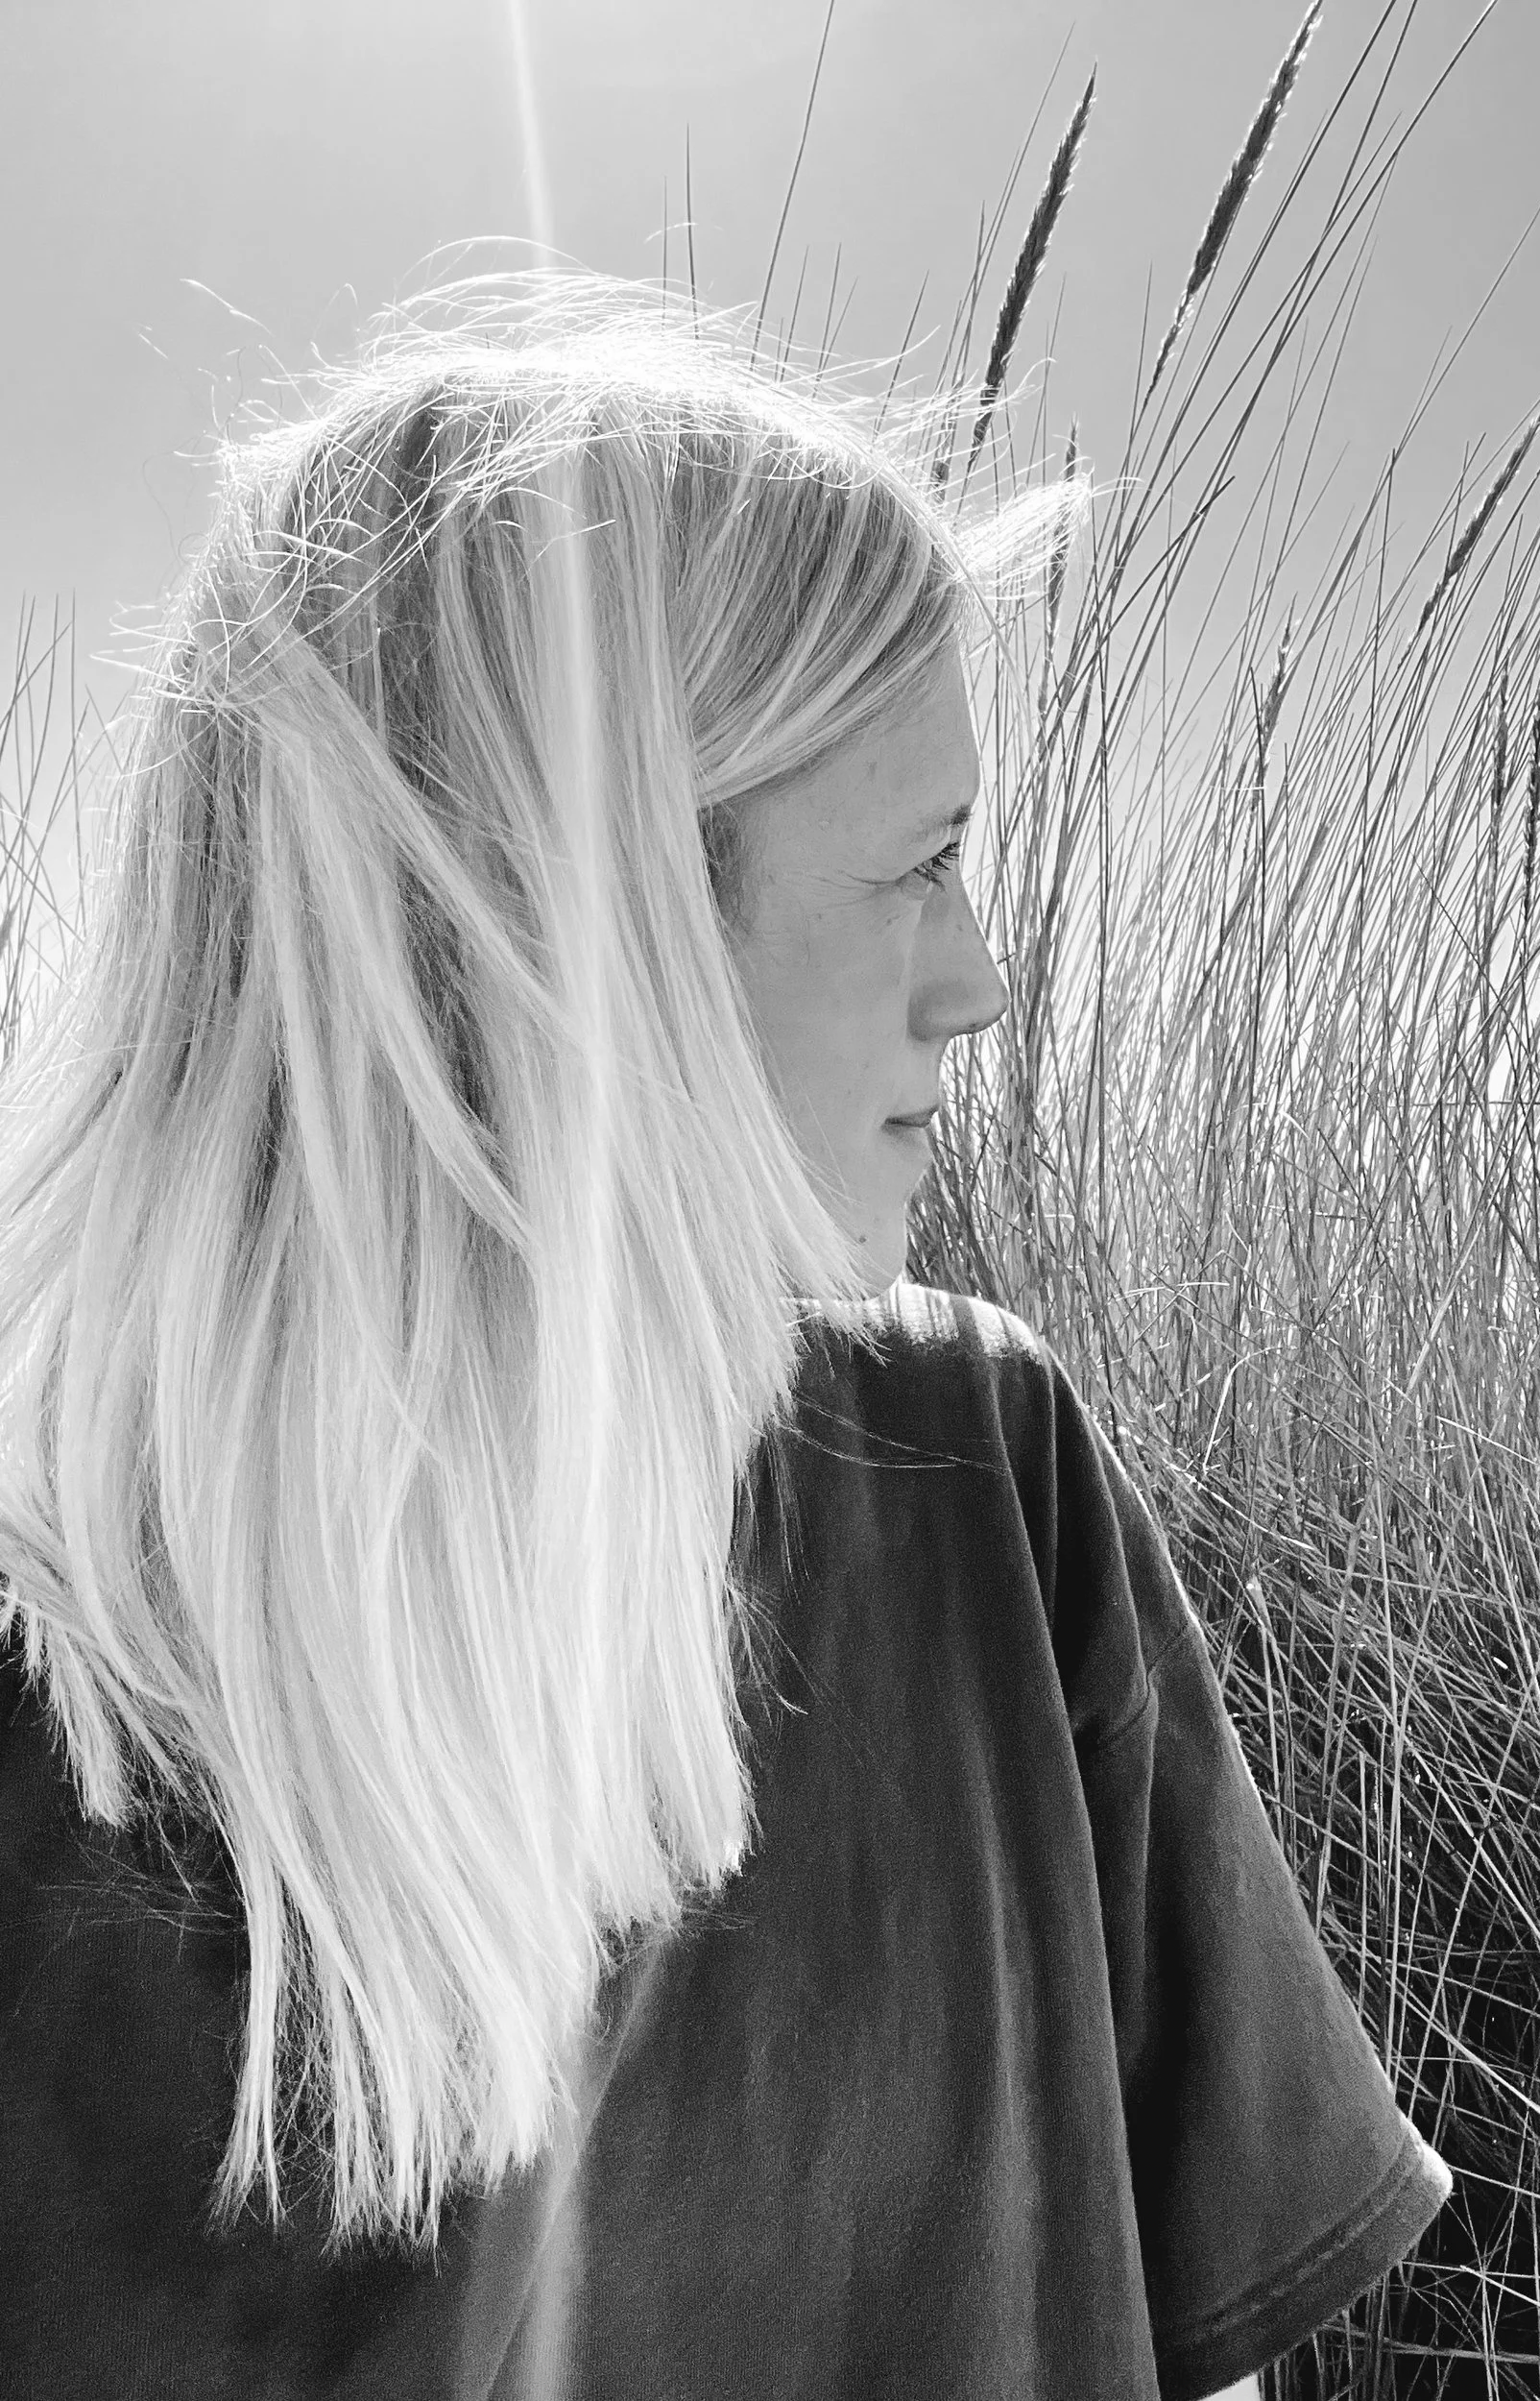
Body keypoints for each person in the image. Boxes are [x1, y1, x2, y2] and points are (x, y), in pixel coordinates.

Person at [0, 273, 1451, 2398]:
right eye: (925, 862)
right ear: (602, 925)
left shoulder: (980, 1471)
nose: (976, 979)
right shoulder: (67, 1700)